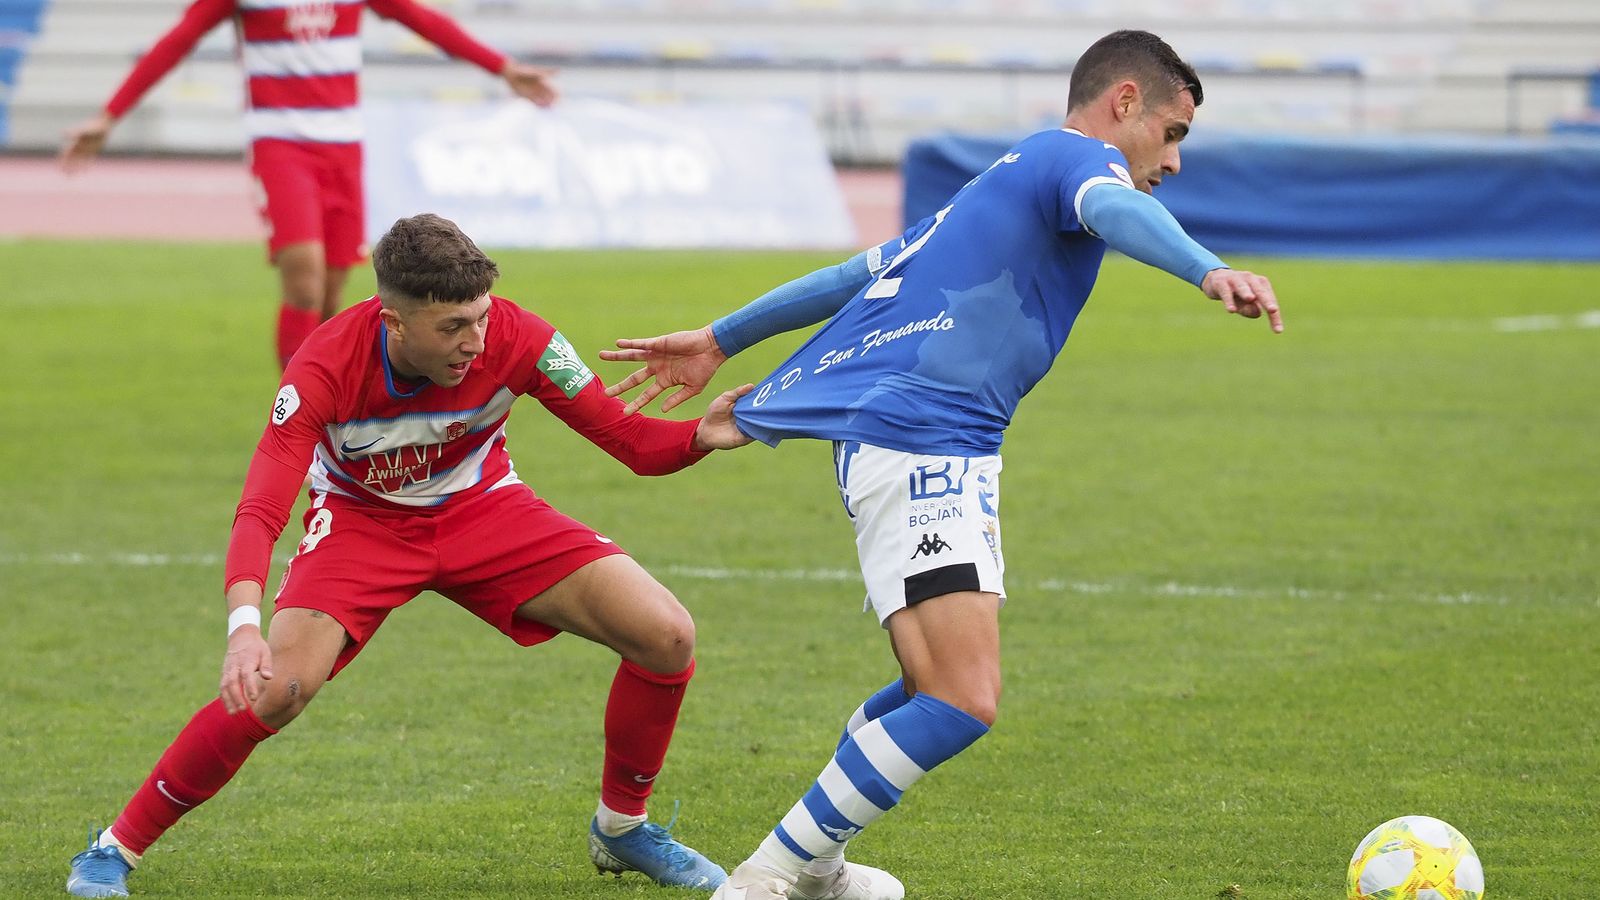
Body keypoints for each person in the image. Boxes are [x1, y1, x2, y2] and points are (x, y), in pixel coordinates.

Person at [598, 30, 1283, 900]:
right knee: (961, 698)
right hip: (926, 440)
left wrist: (720, 338)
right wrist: (1206, 268)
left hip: (926, 440)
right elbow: (1115, 209)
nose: (1175, 161)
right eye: (1172, 133)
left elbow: (856, 274)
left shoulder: (1006, 176)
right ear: (1124, 104)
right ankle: (765, 880)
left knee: (930, 683)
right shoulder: (1076, 162)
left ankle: (815, 872)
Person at [65, 213, 749, 898]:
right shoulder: (323, 366)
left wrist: (699, 436)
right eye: (452, 328)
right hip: (362, 525)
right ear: (393, 321)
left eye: (480, 317)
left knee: (666, 634)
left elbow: (631, 442)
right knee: (276, 688)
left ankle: (623, 829)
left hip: (484, 509)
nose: (475, 342)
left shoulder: (523, 338)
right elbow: (260, 509)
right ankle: (112, 850)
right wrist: (244, 628)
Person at [60, 0, 558, 370]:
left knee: (329, 294)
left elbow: (422, 20)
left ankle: (324, 402)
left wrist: (502, 67)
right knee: (304, 281)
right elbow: (178, 40)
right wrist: (110, 116)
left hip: (343, 149)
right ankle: (295, 421)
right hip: (281, 146)